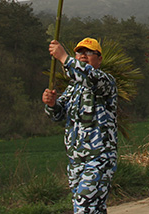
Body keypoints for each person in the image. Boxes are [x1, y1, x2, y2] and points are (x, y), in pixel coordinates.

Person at [43, 38, 118, 214]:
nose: (83, 56)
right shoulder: (72, 88)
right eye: (79, 52)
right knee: (93, 208)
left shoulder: (104, 82)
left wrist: (63, 57)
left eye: (90, 52)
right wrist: (51, 104)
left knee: (84, 208)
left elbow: (88, 76)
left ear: (99, 59)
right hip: (76, 161)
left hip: (99, 158)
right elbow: (57, 114)